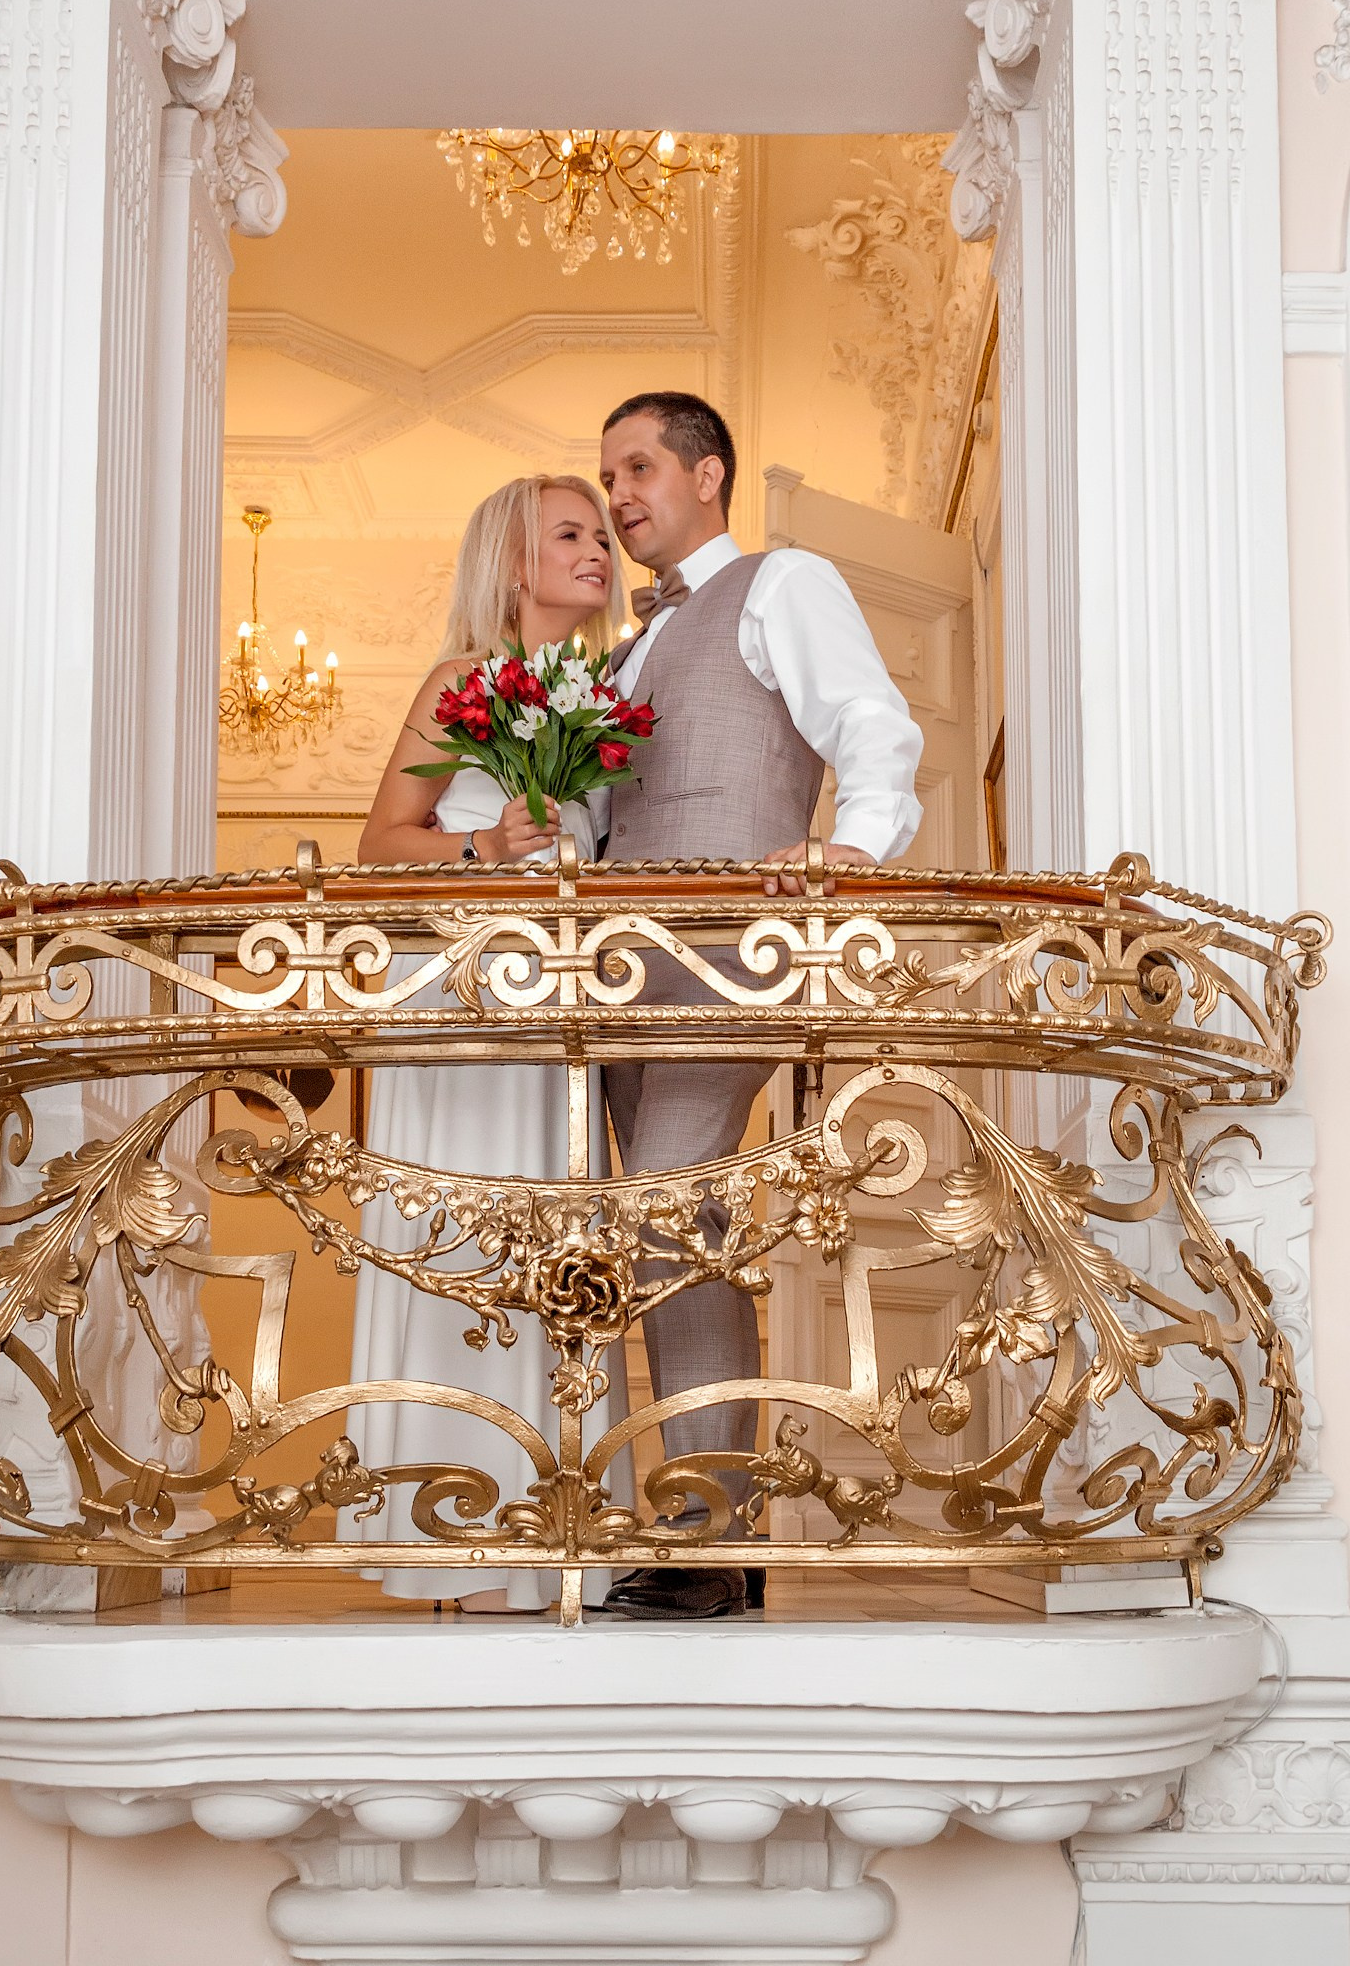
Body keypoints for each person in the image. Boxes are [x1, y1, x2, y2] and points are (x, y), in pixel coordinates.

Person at [592, 390, 923, 1621]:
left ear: (708, 473)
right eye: (608, 477)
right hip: (612, 971)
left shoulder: (783, 582)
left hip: (730, 956)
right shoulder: (621, 651)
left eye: (638, 468)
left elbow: (871, 721)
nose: (619, 496)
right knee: (667, 1237)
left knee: (664, 1211)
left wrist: (857, 852)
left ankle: (703, 1538)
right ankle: (706, 1529)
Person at [342, 474, 630, 1614]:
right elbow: (379, 843)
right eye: (571, 533)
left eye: (601, 532)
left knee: (561, 1239)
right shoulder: (458, 682)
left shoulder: (604, 698)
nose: (599, 548)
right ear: (513, 561)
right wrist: (485, 851)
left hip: (558, 1005)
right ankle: (449, 1538)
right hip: (456, 1000)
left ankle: (557, 1532)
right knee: (457, 1234)